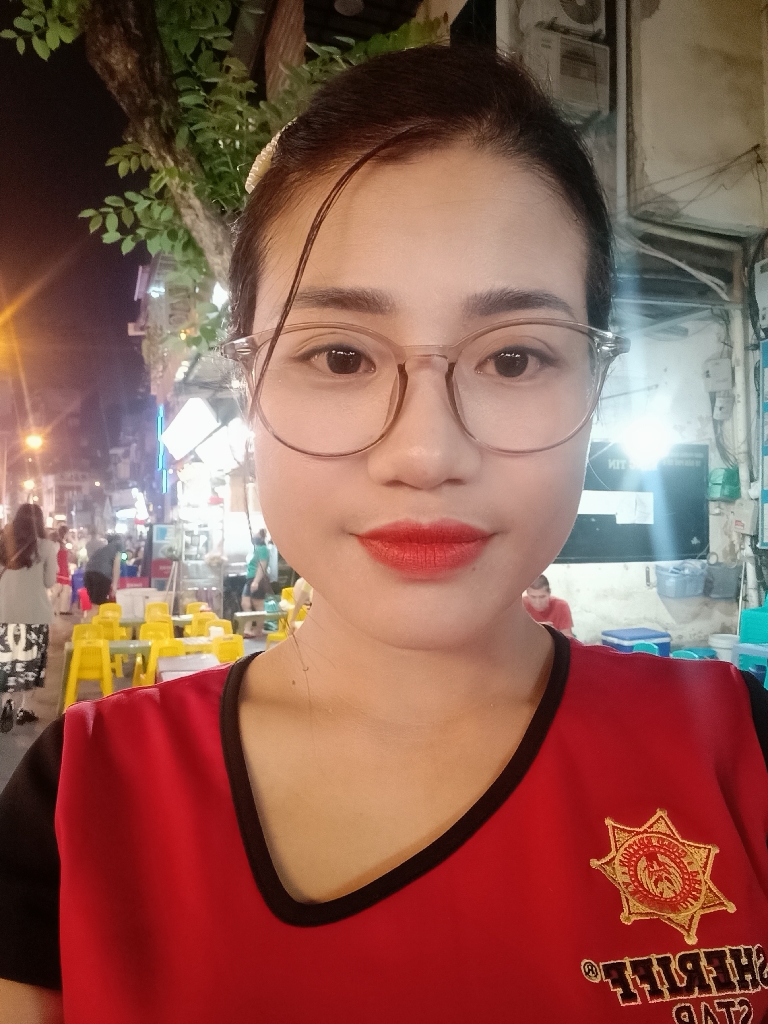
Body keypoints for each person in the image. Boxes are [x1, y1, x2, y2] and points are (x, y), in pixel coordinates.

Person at [1, 46, 768, 1023]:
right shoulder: (81, 804)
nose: (426, 452)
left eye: (516, 358)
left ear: (596, 383)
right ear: (250, 386)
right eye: (339, 355)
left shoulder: (738, 754)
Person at [0, 504, 57, 730]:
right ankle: (25, 708)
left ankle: (6, 702)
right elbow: (49, 582)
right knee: (31, 663)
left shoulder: (3, 544)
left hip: (4, 614)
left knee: (7, 661)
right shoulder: (46, 546)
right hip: (35, 615)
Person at [241, 528, 271, 637]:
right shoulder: (256, 549)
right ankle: (247, 629)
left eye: (256, 534)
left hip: (257, 579)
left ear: (262, 537)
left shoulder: (263, 549)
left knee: (258, 605)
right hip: (250, 578)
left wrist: (256, 581)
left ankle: (259, 629)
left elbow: (262, 565)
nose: (254, 536)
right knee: (245, 604)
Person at [82, 533, 122, 609]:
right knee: (98, 604)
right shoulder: (116, 549)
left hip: (88, 573)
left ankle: (89, 615)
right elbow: (116, 567)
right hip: (101, 575)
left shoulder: (102, 549)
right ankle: (94, 616)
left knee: (93, 602)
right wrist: (114, 585)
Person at [50, 525, 73, 616]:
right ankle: (49, 608)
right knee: (58, 588)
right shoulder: (57, 544)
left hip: (64, 568)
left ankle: (63, 609)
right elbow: (53, 556)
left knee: (66, 589)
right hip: (59, 568)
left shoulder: (63, 543)